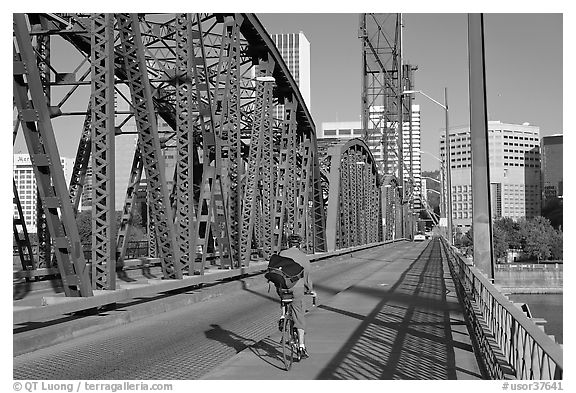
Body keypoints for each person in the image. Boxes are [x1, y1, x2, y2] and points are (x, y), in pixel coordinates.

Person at [278, 233, 316, 359]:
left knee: (283, 294)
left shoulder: (282, 254)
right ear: (299, 245)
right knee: (299, 316)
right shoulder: (303, 257)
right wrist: (309, 290)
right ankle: (301, 346)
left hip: (282, 287)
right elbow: (307, 276)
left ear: (288, 244)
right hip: (297, 288)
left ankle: (283, 314)